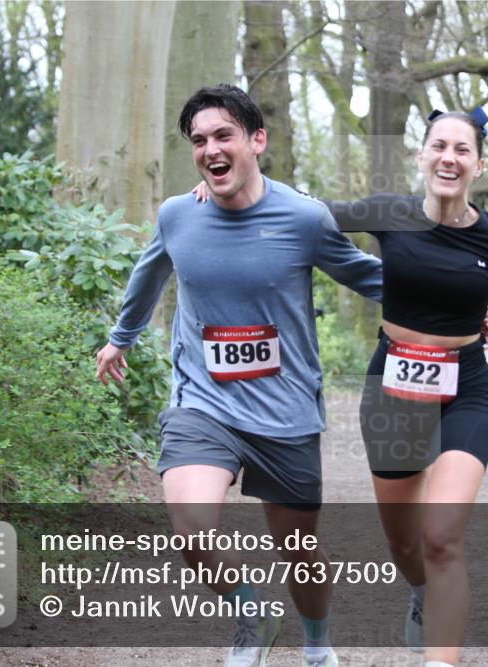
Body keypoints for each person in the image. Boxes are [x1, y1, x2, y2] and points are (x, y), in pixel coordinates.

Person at [194, 108, 488, 666]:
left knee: (441, 536)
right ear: (422, 156)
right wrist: (231, 183)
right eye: (439, 146)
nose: (449, 158)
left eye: (462, 150)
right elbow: (310, 211)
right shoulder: (390, 213)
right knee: (404, 544)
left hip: (465, 391)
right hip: (392, 391)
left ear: (478, 165)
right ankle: (421, 593)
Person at [96, 84, 382, 667]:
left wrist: (451, 307)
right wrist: (120, 337)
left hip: (285, 409)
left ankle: (318, 644)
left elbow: (368, 276)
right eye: (199, 140)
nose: (210, 149)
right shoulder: (179, 215)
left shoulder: (304, 218)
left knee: (299, 551)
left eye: (223, 135)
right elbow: (149, 277)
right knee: (191, 528)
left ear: (257, 141)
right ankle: (253, 613)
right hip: (203, 402)